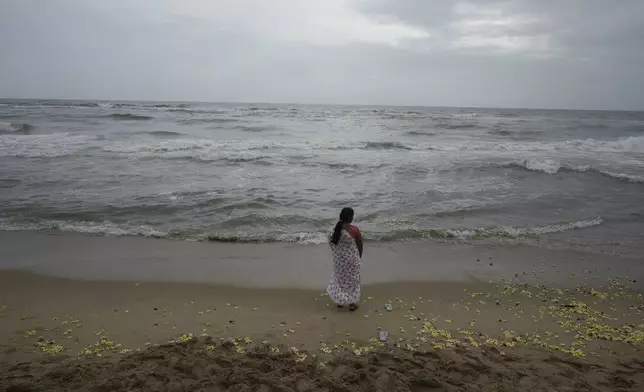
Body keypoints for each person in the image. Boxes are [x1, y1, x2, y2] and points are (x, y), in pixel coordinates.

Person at [327, 207, 363, 311]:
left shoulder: (334, 229)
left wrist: (338, 253)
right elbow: (360, 244)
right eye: (352, 215)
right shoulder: (354, 229)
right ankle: (351, 304)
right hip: (352, 260)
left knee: (340, 280)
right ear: (350, 217)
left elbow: (331, 242)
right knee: (353, 281)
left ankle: (340, 302)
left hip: (339, 261)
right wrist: (359, 255)